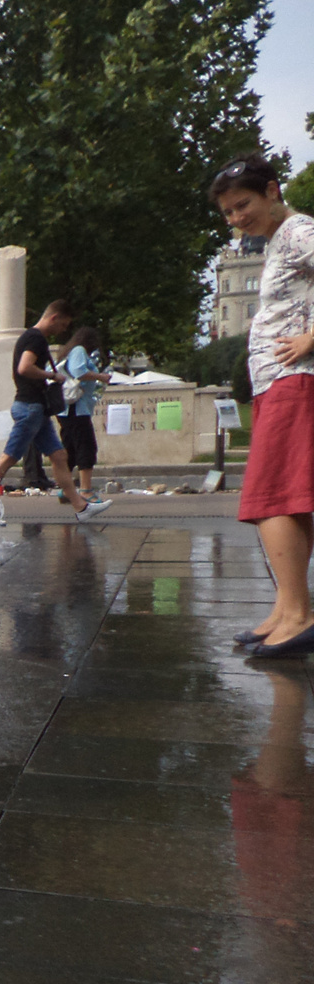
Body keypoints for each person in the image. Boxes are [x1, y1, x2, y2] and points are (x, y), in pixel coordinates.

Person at [212, 154, 314, 657]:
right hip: (279, 382)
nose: (236, 219)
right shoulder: (278, 241)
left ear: (273, 190)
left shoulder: (299, 232)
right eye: (228, 212)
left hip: (295, 379)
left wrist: (311, 338)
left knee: (273, 495)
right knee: (287, 498)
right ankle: (287, 608)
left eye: (243, 205)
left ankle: (297, 613)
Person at [0, 300, 112, 521]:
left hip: (37, 409)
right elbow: (24, 367)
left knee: (59, 456)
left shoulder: (32, 338)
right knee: (8, 458)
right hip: (29, 408)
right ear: (54, 317)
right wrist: (53, 376)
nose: (64, 330)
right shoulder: (35, 338)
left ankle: (81, 507)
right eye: (63, 324)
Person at [56, 326, 113, 499]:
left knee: (70, 450)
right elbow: (79, 372)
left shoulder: (68, 352)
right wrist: (101, 377)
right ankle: (86, 490)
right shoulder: (79, 350)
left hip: (65, 409)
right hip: (77, 408)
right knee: (86, 447)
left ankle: (66, 490)